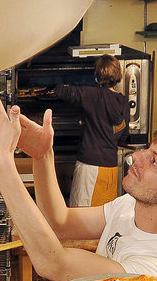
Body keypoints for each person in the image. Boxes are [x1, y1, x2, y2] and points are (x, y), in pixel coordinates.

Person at [0, 87, 157, 281]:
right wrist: (43, 156)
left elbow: (53, 264)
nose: (137, 157)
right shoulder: (132, 205)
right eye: (149, 150)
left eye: (154, 162)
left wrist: (3, 164)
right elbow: (60, 222)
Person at [54, 54, 130, 207]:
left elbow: (61, 91)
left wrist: (64, 86)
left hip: (90, 167)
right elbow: (123, 134)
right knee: (103, 215)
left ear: (97, 75)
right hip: (110, 169)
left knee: (82, 215)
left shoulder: (92, 95)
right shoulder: (123, 102)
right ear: (118, 76)